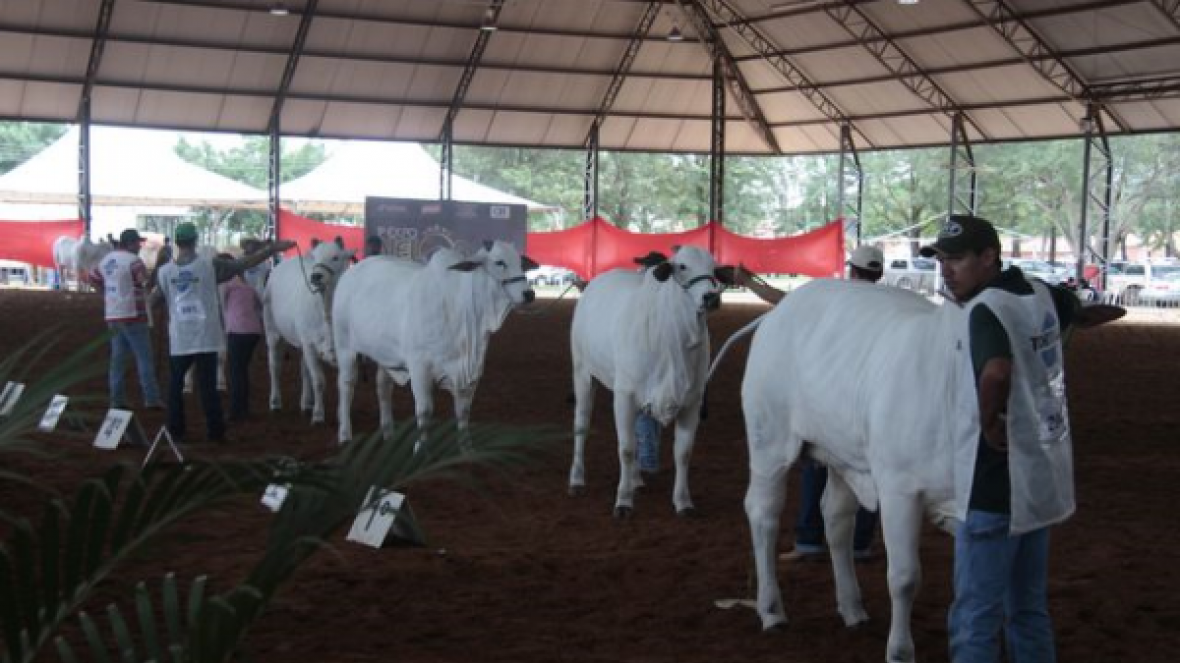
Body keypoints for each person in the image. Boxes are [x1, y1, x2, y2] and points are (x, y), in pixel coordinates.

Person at [920, 214, 1079, 663]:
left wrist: (990, 422)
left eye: (956, 259)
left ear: (989, 257)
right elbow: (1075, 313)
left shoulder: (986, 308)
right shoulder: (1041, 293)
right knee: (1028, 608)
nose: (946, 270)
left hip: (992, 483)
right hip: (1040, 476)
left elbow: (996, 371)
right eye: (941, 259)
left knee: (976, 614)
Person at [734, 245, 884, 562]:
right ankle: (859, 543)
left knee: (815, 465)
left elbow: (784, 302)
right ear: (878, 274)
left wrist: (748, 281)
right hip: (866, 405)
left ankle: (810, 541)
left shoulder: (834, 302)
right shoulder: (886, 309)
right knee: (872, 470)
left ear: (852, 271)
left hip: (828, 399)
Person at [153, 222, 294, 443]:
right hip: (206, 336)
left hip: (180, 337)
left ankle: (176, 429)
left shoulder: (165, 272)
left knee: (175, 385)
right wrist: (271, 249)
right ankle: (215, 431)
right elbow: (242, 264)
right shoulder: (209, 265)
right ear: (195, 241)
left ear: (178, 243)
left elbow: (153, 300)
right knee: (208, 386)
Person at [87, 228, 164, 411]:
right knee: (144, 357)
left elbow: (93, 278)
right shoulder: (134, 261)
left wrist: (105, 293)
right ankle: (151, 398)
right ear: (130, 243)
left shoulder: (106, 260)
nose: (139, 246)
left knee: (118, 359)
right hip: (133, 314)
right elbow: (144, 281)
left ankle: (117, 399)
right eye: (137, 243)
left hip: (113, 314)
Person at [220, 254, 264, 423]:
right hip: (253, 331)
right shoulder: (248, 286)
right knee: (242, 370)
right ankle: (243, 408)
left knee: (236, 372)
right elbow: (259, 305)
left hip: (237, 331)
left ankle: (236, 410)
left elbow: (221, 306)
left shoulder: (227, 286)